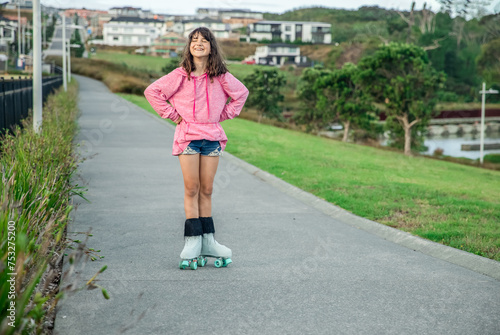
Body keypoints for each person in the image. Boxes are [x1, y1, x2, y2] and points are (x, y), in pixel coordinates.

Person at [144, 27, 249, 270]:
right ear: (189, 47)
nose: (198, 43)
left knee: (207, 189)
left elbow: (241, 94)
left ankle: (208, 241)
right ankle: (192, 241)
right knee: (192, 188)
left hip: (212, 137)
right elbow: (153, 92)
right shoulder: (180, 75)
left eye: (203, 40)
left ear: (211, 46)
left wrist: (221, 115)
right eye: (194, 40)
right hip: (188, 137)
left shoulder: (220, 76)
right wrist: (173, 115)